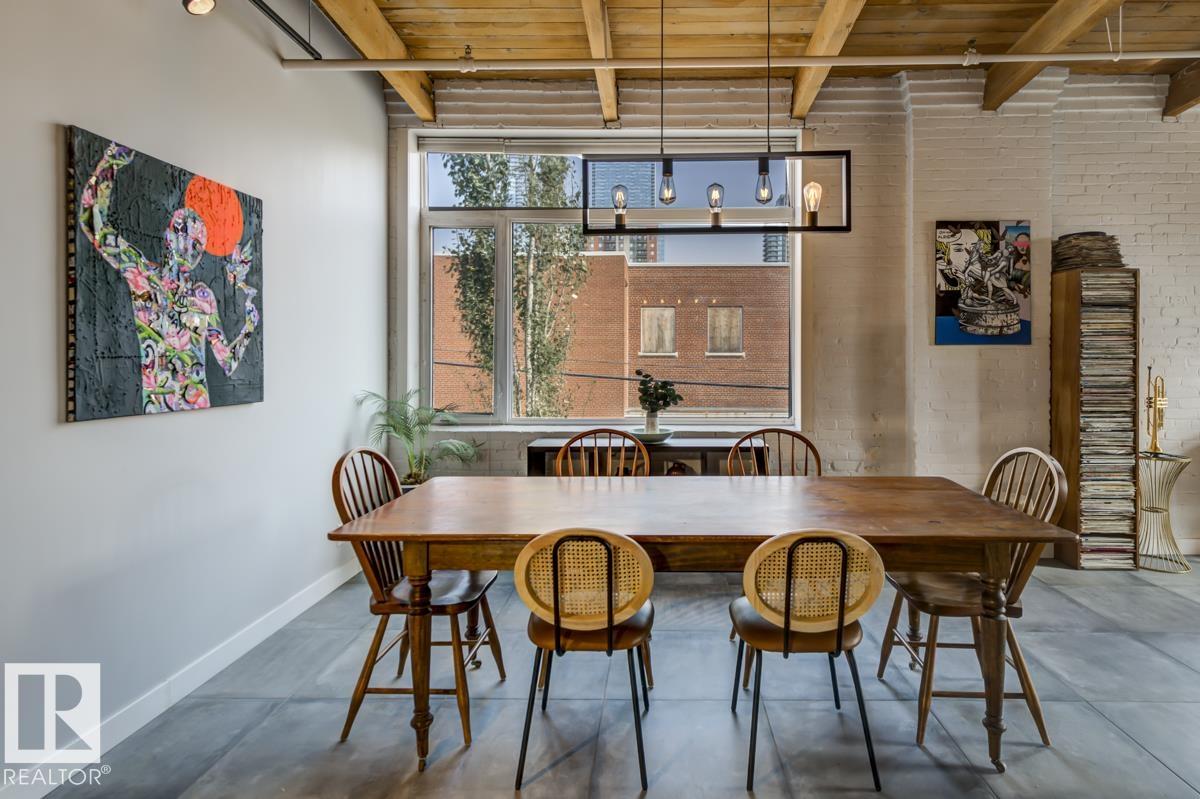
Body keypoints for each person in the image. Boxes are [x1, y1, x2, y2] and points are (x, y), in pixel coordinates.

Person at [79, 142, 259, 413]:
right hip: (157, 410)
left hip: (200, 407)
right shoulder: (142, 276)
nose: (189, 246)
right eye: (182, 232)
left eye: (197, 244)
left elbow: (228, 363)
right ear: (168, 235)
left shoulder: (203, 297)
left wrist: (248, 328)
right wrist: (112, 162)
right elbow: (93, 222)